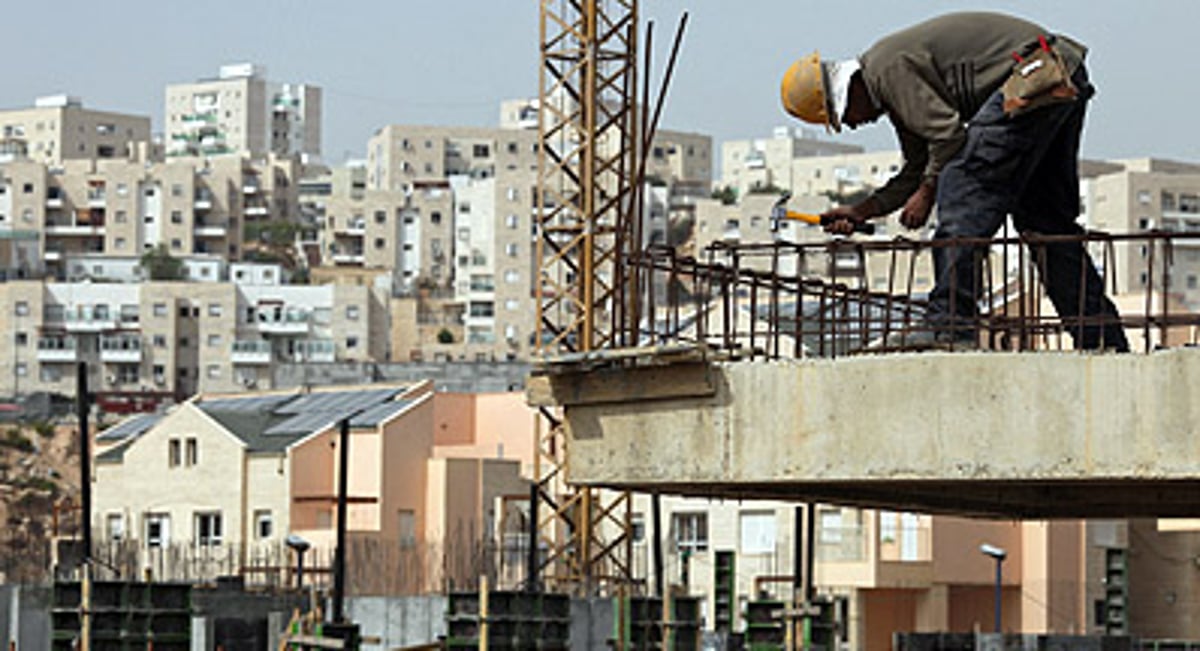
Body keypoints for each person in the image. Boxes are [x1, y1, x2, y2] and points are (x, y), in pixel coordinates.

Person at [779, 12, 1128, 351]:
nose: (853, 126)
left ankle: (950, 322)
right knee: (1045, 223)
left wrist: (928, 193)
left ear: (848, 92)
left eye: (844, 117)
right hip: (1058, 71)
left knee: (962, 182)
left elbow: (948, 139)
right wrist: (862, 210)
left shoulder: (887, 70)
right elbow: (917, 167)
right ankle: (1099, 338)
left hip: (1037, 72)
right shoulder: (892, 88)